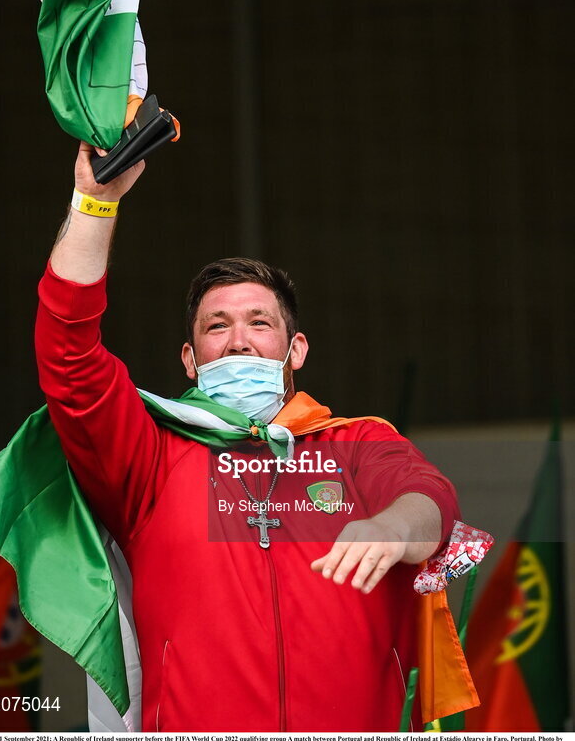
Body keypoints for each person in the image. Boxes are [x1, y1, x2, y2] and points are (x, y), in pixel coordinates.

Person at [35, 141, 462, 733]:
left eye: (259, 323)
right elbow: (69, 357)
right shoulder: (150, 456)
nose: (238, 341)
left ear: (296, 349)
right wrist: (94, 203)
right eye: (217, 326)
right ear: (190, 360)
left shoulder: (355, 443)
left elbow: (432, 501)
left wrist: (392, 528)